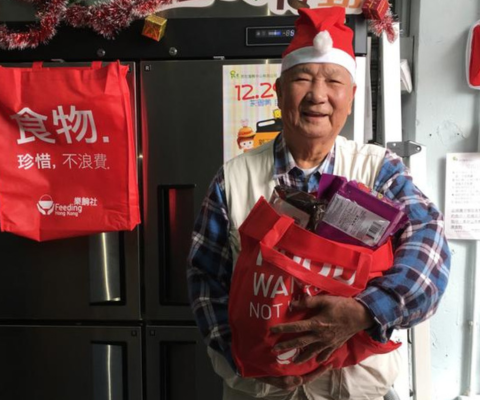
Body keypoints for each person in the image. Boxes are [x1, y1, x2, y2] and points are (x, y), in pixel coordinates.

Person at [188, 6, 450, 400]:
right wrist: (244, 356)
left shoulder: (380, 171)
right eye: (303, 78)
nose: (318, 95)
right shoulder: (234, 179)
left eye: (333, 80)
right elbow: (205, 281)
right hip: (261, 390)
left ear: (351, 96)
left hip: (355, 389)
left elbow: (430, 250)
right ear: (278, 91)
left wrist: (366, 312)